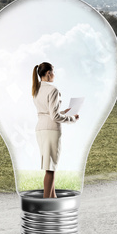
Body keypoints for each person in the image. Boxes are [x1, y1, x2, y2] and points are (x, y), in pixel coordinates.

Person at [31, 62, 80, 198]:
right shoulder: (53, 90)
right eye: (53, 72)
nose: (54, 75)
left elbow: (48, 111)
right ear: (48, 73)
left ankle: (53, 199)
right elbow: (55, 116)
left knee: (49, 166)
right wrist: (72, 118)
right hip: (51, 130)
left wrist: (64, 111)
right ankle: (47, 202)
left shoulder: (36, 89)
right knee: (50, 169)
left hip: (40, 129)